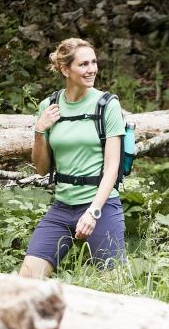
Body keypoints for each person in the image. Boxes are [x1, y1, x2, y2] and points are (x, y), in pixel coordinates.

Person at [19, 38, 126, 279]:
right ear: (65, 69)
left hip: (101, 205)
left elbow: (112, 168)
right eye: (84, 64)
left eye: (94, 62)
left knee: (114, 285)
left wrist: (93, 212)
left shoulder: (107, 105)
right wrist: (39, 129)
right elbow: (41, 169)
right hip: (62, 207)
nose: (92, 70)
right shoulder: (50, 105)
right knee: (26, 280)